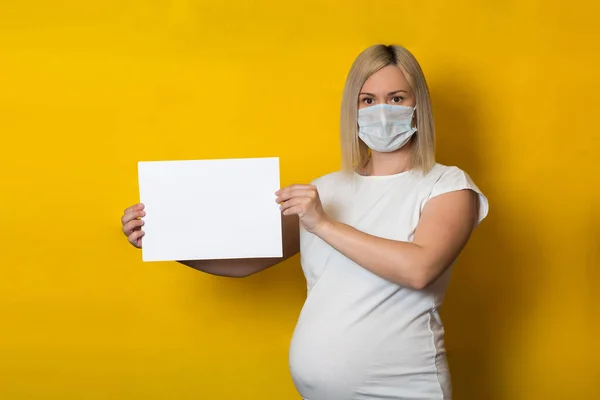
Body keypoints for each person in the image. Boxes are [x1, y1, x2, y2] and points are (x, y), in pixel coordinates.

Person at [121, 44, 488, 400]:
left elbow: (419, 269)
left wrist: (323, 223)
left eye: (396, 98)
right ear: (353, 109)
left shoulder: (448, 186)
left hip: (404, 387)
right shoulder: (324, 189)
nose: (381, 111)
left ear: (417, 106)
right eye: (368, 100)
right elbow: (246, 261)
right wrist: (164, 239)